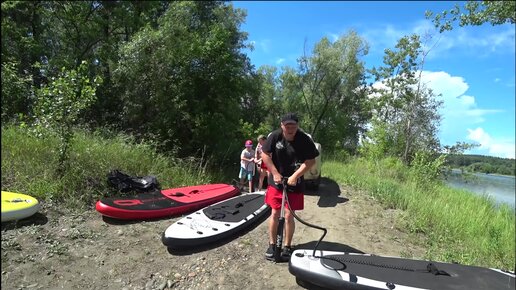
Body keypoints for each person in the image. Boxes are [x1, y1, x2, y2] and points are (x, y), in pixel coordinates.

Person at [261, 112, 319, 260]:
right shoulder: (275, 136)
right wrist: (274, 173)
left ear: (297, 125)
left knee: (289, 215)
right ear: (282, 126)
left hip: (295, 181)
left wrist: (295, 176)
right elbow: (265, 154)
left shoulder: (304, 139)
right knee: (274, 213)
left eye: (293, 125)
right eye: (287, 125)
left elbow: (311, 161)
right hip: (277, 181)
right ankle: (272, 244)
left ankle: (287, 246)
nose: (290, 128)